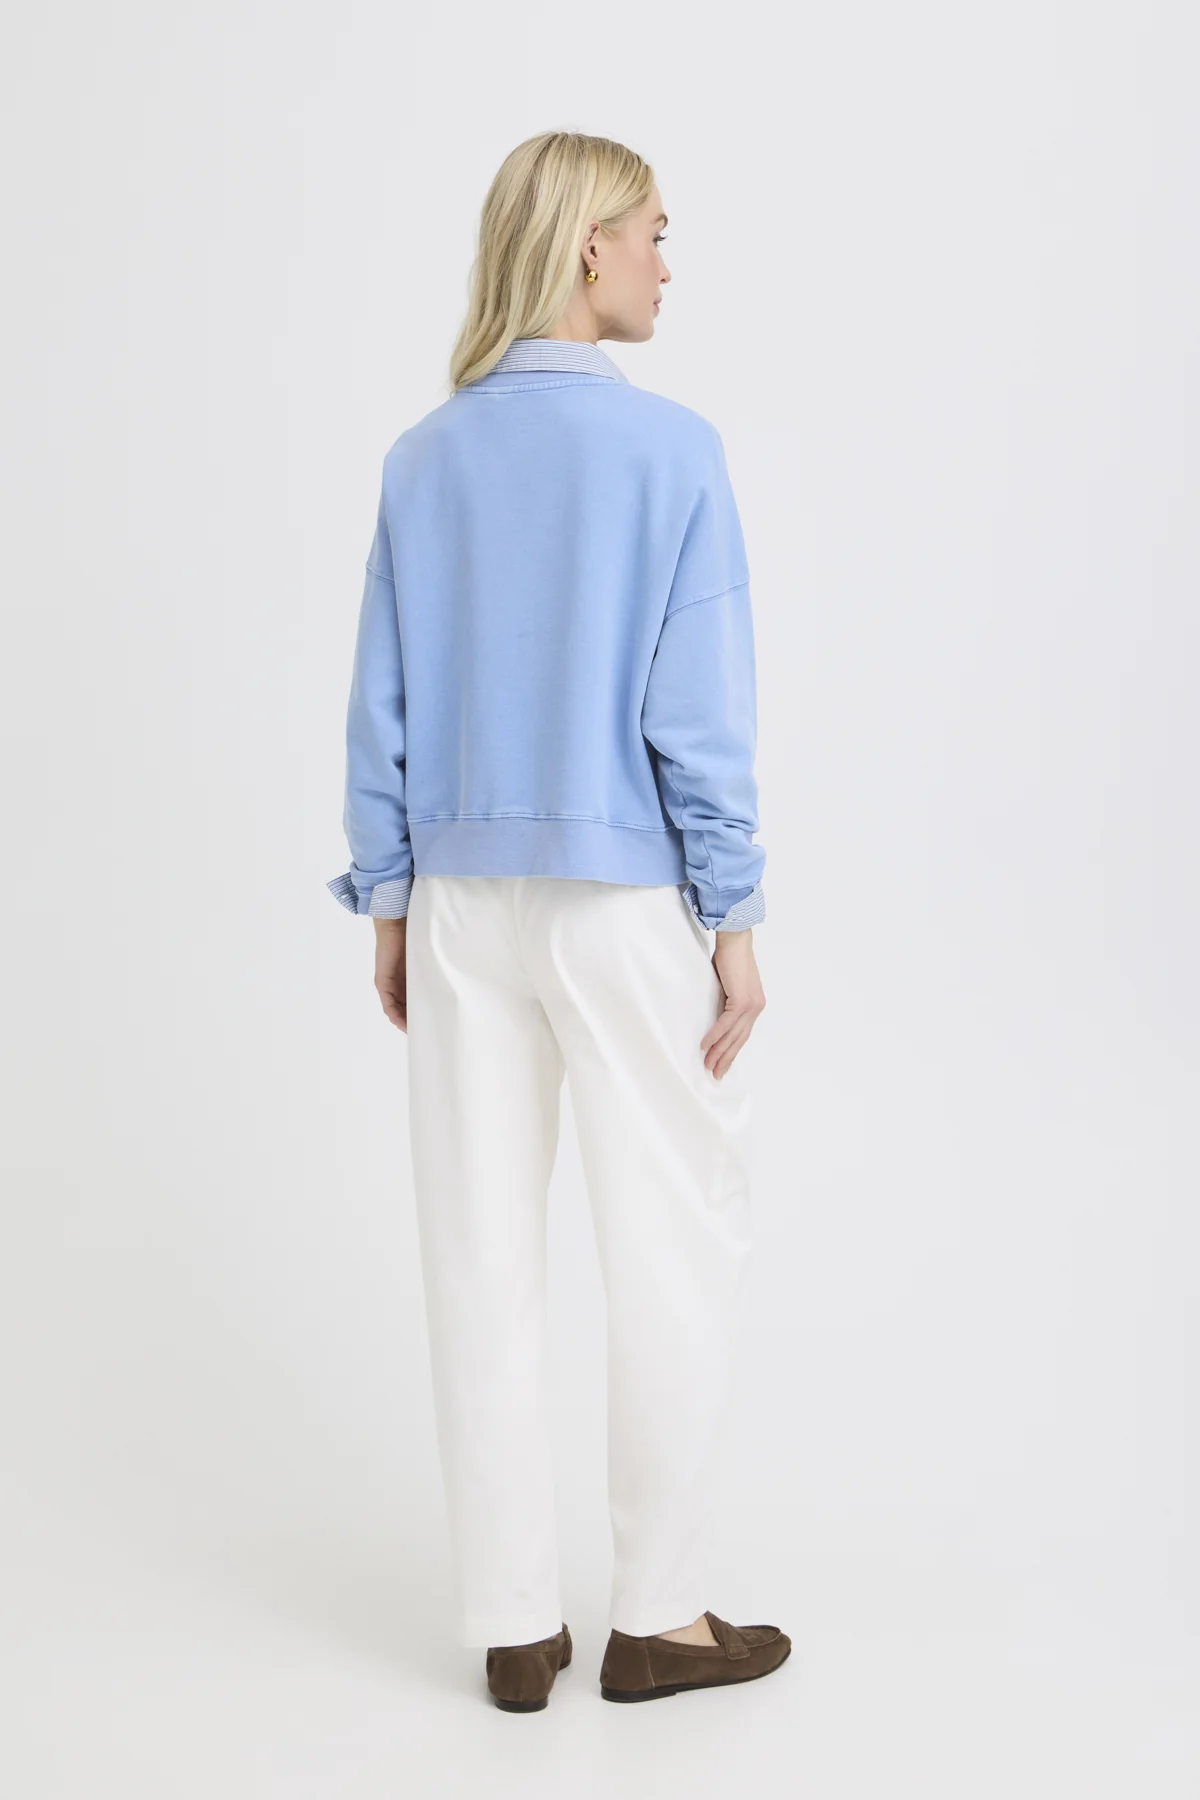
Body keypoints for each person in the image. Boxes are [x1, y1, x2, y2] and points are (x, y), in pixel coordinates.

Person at [326, 130, 790, 1711]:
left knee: (479, 1250)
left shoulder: (423, 458)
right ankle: (658, 1617)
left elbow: (382, 704)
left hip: (461, 900)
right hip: (621, 904)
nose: (668, 262)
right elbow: (696, 716)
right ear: (589, 245)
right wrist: (733, 917)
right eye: (655, 231)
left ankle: (515, 1625)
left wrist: (390, 900)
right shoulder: (672, 452)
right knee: (672, 1240)